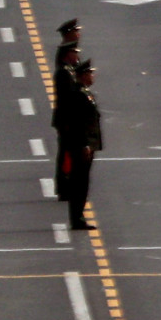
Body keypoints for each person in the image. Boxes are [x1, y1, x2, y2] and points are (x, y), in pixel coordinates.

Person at [51, 56, 103, 232]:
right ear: (82, 75)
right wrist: (85, 144)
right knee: (79, 183)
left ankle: (78, 216)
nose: (92, 76)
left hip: (86, 145)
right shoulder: (79, 95)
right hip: (82, 147)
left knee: (82, 183)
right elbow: (79, 123)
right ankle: (77, 218)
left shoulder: (84, 93)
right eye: (90, 73)